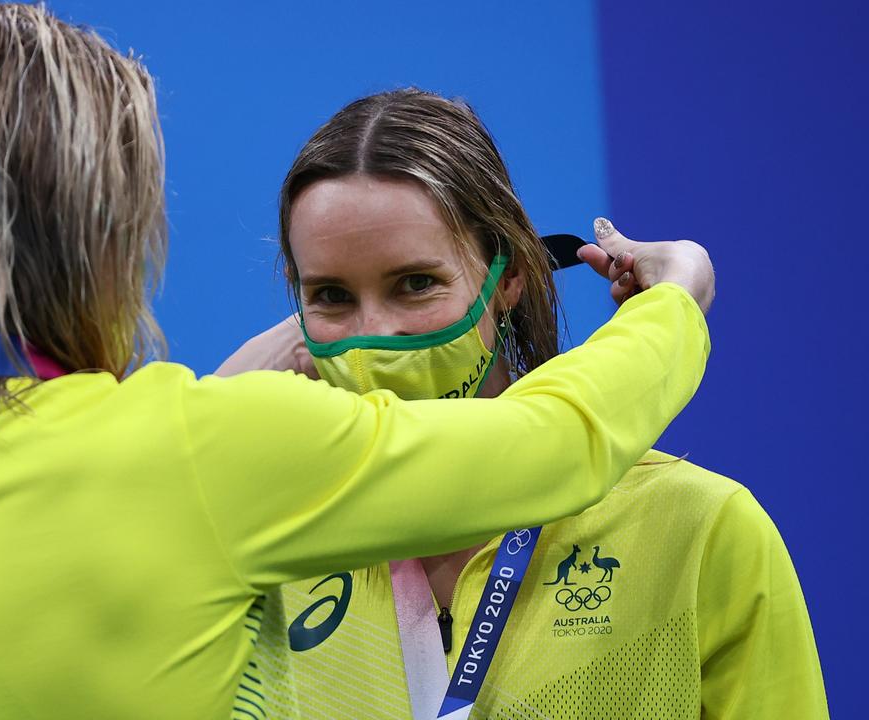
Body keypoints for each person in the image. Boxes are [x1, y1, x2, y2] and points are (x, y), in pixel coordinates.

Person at [0, 6, 717, 719]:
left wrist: (206, 407)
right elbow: (553, 445)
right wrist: (670, 303)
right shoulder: (200, 455)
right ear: (105, 243)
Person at [220, 89, 825, 720]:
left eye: (417, 283)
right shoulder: (264, 541)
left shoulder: (700, 529)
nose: (377, 335)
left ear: (507, 279)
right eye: (332, 296)